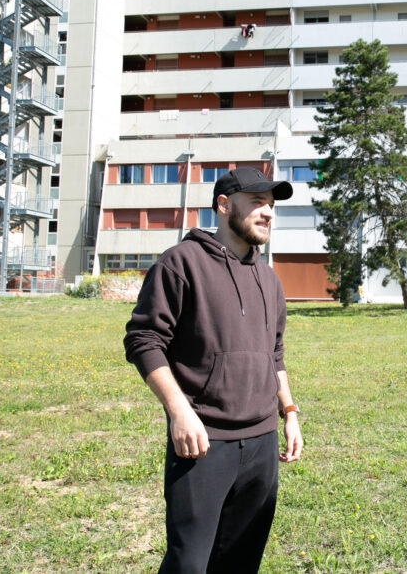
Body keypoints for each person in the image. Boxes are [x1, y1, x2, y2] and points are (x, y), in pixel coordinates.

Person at [123, 166, 304, 574]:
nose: (268, 213)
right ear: (223, 205)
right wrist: (179, 411)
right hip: (203, 442)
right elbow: (144, 340)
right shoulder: (180, 264)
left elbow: (274, 352)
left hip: (262, 444)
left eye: (272, 205)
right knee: (190, 564)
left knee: (241, 561)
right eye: (257, 202)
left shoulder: (269, 280)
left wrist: (289, 412)